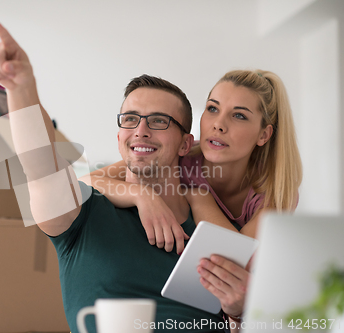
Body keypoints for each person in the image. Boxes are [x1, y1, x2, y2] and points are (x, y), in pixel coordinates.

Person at [0, 19, 231, 333]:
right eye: (130, 119)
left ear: (186, 143)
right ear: (119, 137)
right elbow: (42, 166)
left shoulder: (209, 225)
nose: (141, 131)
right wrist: (21, 89)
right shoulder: (83, 214)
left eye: (158, 121)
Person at [82, 69, 303, 326]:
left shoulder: (276, 192)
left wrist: (199, 199)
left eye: (239, 115)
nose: (218, 124)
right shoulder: (182, 154)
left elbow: (234, 261)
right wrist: (140, 194)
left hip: (230, 302)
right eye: (212, 109)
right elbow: (82, 181)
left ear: (264, 134)